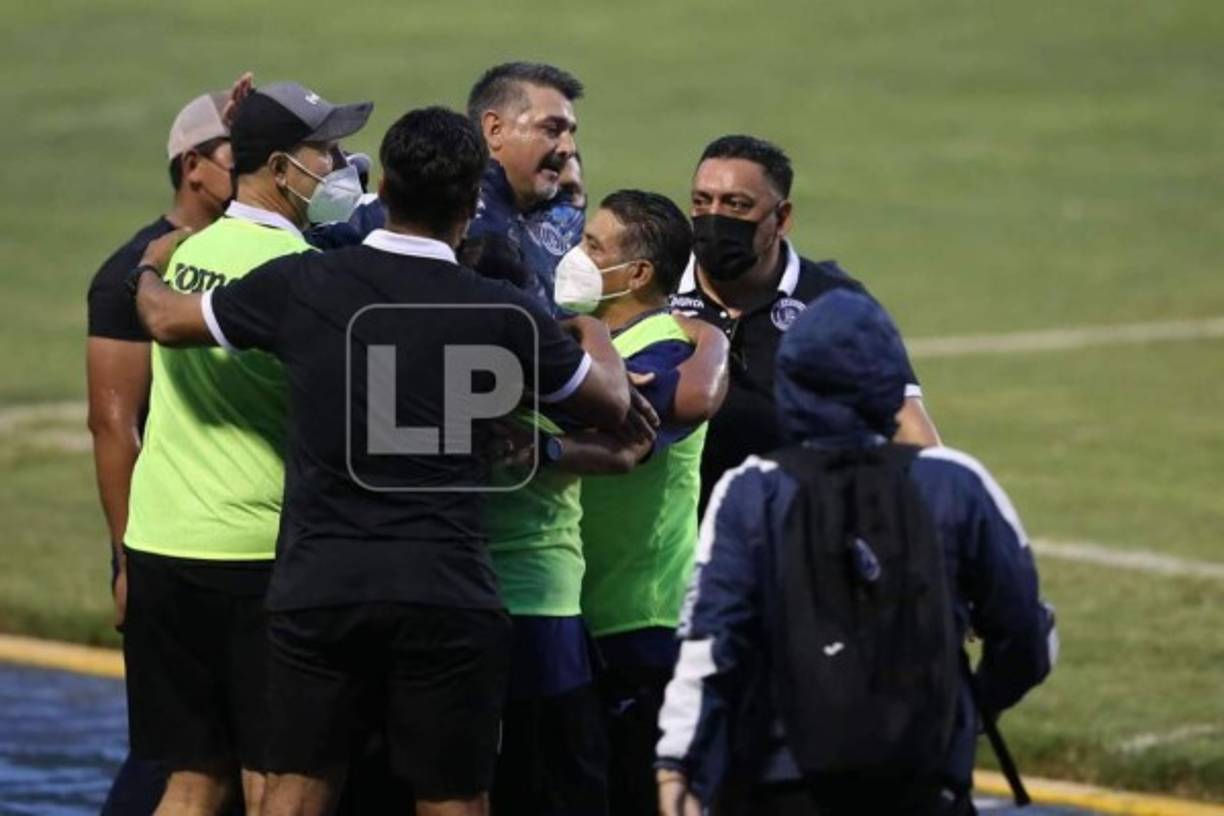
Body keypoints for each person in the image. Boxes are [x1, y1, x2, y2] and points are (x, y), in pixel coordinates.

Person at [132, 105, 634, 816]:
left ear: (385, 188)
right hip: (445, 588)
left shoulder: (306, 283)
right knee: (453, 799)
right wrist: (588, 329)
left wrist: (152, 264)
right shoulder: (501, 312)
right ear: (469, 203)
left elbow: (164, 320)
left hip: (321, 584)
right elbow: (610, 404)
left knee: (296, 791)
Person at [655, 290, 1057, 815]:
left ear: (791, 384)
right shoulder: (957, 484)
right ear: (890, 386)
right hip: (923, 779)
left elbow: (711, 644)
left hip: (784, 785)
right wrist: (971, 709)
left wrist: (678, 767)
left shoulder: (754, 490)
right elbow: (1029, 635)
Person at [120, 80, 372, 815]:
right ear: (277, 168)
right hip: (257, 556)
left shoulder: (183, 255)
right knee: (282, 782)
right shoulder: (303, 281)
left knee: (194, 780)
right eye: (323, 151)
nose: (339, 167)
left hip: (163, 542)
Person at [86, 77, 250, 816]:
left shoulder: (258, 253)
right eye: (237, 154)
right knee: (178, 759)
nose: (251, 169)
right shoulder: (130, 274)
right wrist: (125, 560)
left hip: (241, 545)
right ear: (193, 165)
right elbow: (114, 425)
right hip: (169, 547)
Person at [547, 190, 711, 815]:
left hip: (641, 620)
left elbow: (626, 438)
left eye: (593, 246)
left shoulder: (665, 350)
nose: (576, 256)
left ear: (637, 273)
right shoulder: (600, 345)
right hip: (588, 610)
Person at [669, 135, 941, 512]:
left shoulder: (834, 305)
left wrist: (937, 519)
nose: (715, 218)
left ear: (782, 218)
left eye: (737, 205)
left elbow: (910, 432)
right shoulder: (654, 286)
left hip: (793, 533)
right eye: (702, 201)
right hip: (665, 546)